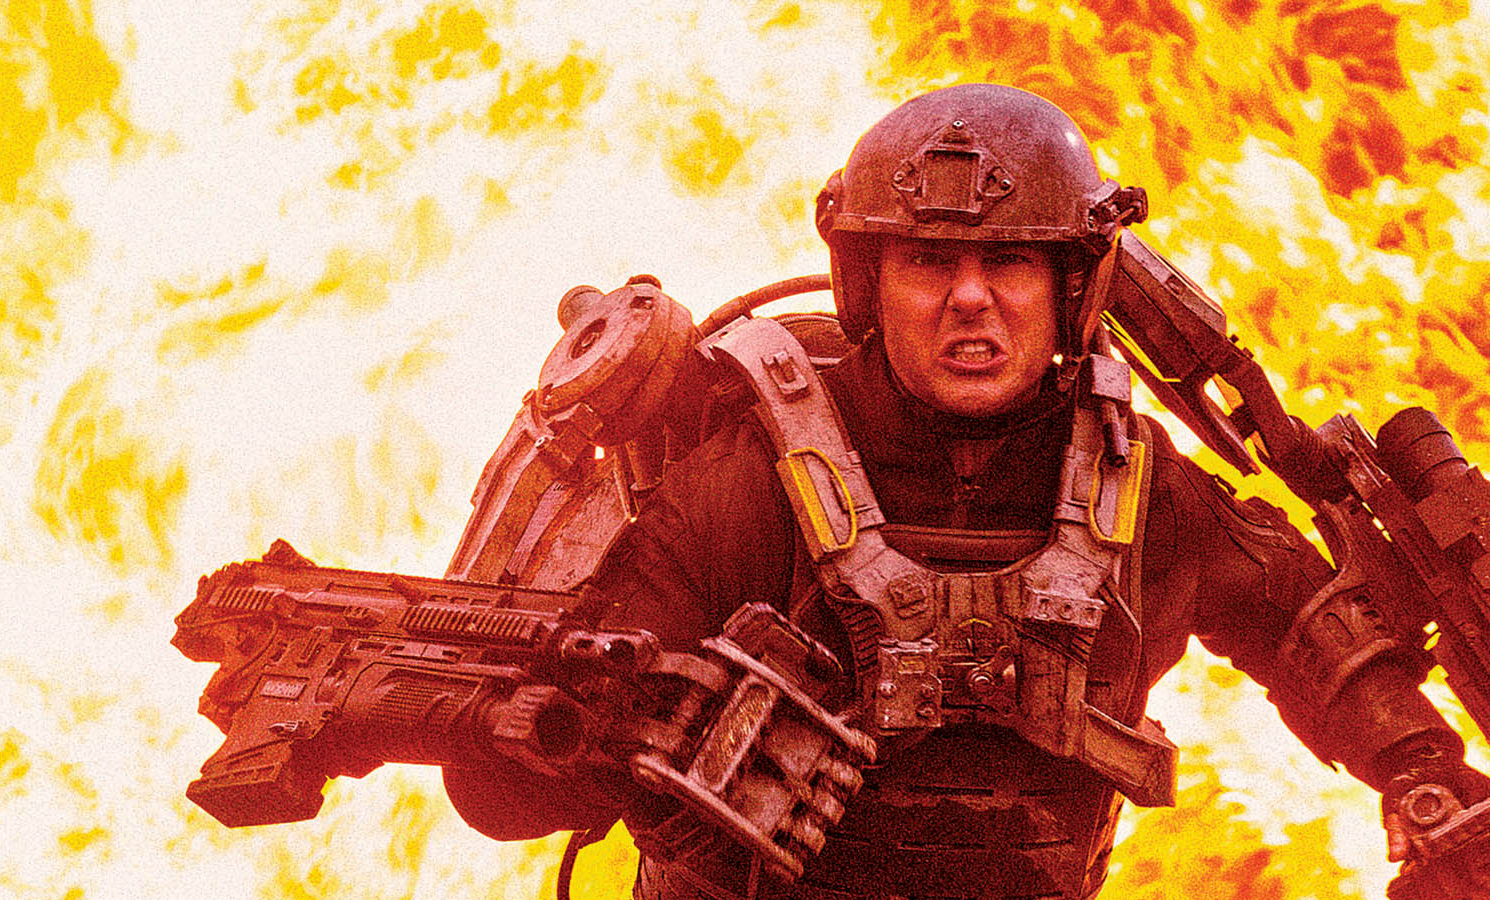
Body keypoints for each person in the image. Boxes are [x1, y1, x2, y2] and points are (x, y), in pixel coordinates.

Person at [444, 83, 1489, 900]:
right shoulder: (745, 484)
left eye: (1011, 261)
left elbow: (1309, 629)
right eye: (930, 263)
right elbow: (516, 777)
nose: (971, 299)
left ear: (1072, 288)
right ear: (867, 284)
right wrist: (548, 745)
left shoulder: (1140, 488)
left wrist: (1424, 783)